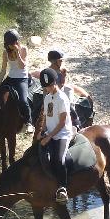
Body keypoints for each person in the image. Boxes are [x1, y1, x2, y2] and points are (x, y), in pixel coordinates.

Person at [35, 67, 73, 203]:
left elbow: (62, 122)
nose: (47, 88)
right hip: (50, 132)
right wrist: (41, 132)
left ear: (54, 83)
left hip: (62, 133)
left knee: (59, 159)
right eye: (45, 87)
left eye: (49, 86)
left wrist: (49, 137)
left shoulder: (62, 98)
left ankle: (63, 188)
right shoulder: (47, 98)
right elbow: (46, 118)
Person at [0, 29, 32, 128]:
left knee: (23, 100)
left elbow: (22, 66)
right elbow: (3, 70)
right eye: (10, 44)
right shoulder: (5, 53)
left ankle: (28, 122)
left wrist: (18, 53)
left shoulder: (24, 49)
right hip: (11, 77)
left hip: (22, 78)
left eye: (14, 43)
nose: (11, 45)